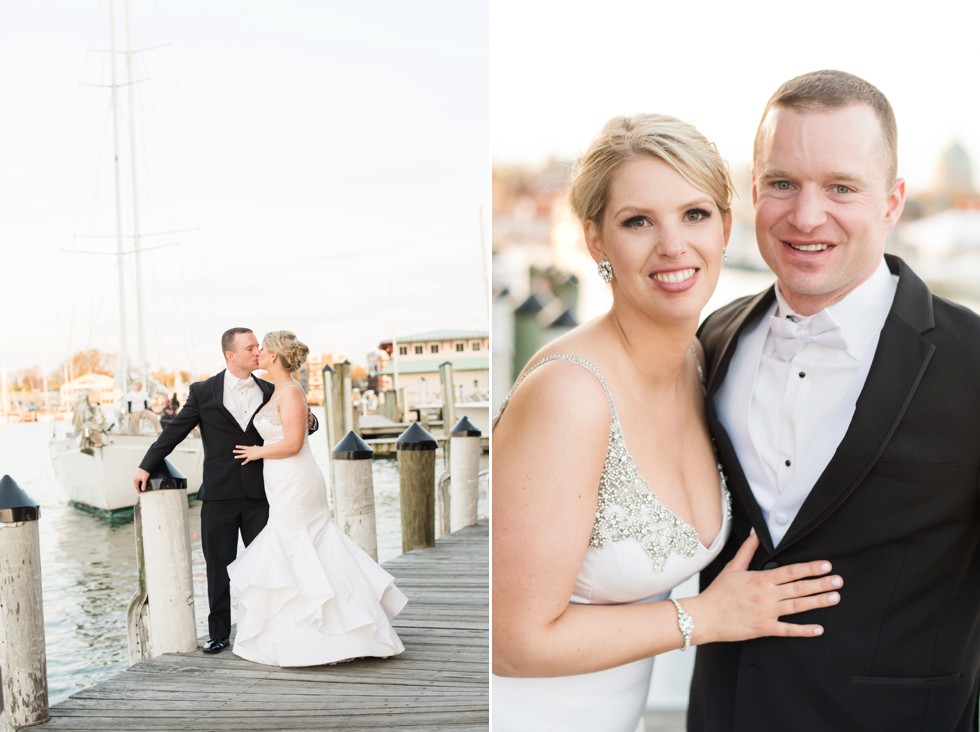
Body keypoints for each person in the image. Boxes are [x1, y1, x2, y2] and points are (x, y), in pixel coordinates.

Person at [491, 113, 844, 732]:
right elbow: (513, 641)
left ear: (726, 226)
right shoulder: (570, 395)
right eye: (637, 222)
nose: (673, 245)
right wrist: (706, 618)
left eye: (695, 214)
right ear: (596, 241)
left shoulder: (701, 359)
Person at [689, 69, 980, 731]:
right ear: (754, 190)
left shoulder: (974, 363)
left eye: (840, 187)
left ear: (892, 201)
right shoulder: (709, 342)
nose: (806, 216)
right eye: (782, 183)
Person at [133, 327, 317, 654]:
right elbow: (174, 432)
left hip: (263, 492)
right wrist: (147, 464)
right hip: (218, 493)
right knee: (218, 567)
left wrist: (309, 420)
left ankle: (268, 626)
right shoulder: (204, 392)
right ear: (230, 355)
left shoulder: (271, 387)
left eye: (258, 346)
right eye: (249, 348)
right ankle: (218, 633)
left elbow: (295, 428)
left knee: (267, 564)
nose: (257, 352)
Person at [229, 330, 406, 666]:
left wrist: (257, 452)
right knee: (294, 547)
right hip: (280, 482)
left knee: (304, 544)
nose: (259, 354)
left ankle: (337, 629)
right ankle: (293, 631)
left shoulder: (291, 392)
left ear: (275, 357)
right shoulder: (277, 390)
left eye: (263, 349)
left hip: (297, 480)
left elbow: (294, 442)